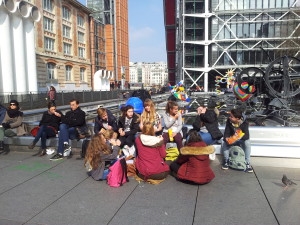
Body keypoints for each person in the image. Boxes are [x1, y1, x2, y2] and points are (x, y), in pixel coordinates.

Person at [221, 108, 253, 173]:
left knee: (247, 143)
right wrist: (226, 138)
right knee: (223, 142)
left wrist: (237, 137)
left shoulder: (245, 122)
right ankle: (226, 160)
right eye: (230, 116)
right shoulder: (229, 121)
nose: (229, 117)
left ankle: (247, 163)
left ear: (237, 118)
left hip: (240, 139)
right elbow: (226, 133)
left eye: (231, 117)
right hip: (232, 139)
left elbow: (246, 136)